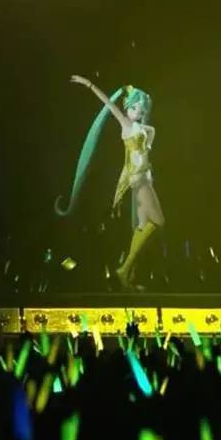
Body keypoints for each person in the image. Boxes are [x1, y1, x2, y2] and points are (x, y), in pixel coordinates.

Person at [55, 75, 166, 291]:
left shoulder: (143, 129)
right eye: (135, 108)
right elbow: (107, 102)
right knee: (158, 222)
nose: (139, 113)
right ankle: (124, 269)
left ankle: (127, 275)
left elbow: (151, 131)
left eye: (142, 110)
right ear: (128, 107)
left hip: (144, 177)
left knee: (142, 226)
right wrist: (88, 84)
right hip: (139, 180)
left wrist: (148, 144)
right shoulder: (126, 124)